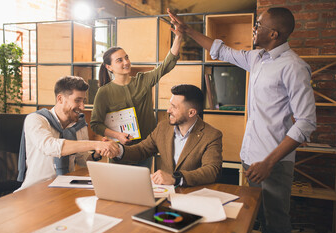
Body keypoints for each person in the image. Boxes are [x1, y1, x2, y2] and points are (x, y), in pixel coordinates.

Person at [168, 7, 316, 233]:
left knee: (276, 225)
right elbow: (221, 50)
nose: (254, 29)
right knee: (257, 220)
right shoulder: (257, 59)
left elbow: (306, 123)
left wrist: (268, 163)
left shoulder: (294, 67)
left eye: (259, 25)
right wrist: (187, 31)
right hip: (251, 159)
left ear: (274, 34)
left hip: (273, 164)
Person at [90, 9, 183, 169]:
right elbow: (95, 124)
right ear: (109, 67)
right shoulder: (104, 92)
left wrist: (179, 37)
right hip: (119, 149)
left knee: (141, 189)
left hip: (146, 148)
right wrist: (117, 135)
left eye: (126, 57)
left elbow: (167, 65)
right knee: (118, 191)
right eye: (119, 60)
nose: (126, 62)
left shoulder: (143, 80)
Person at [16, 76, 120, 191]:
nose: (82, 107)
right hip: (36, 189)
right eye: (77, 100)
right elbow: (50, 147)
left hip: (65, 187)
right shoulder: (36, 120)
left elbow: (82, 160)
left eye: (83, 101)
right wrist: (95, 144)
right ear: (60, 99)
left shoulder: (78, 125)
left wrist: (96, 154)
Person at [113, 84, 222, 187]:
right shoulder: (163, 127)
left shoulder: (212, 135)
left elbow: (211, 170)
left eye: (174, 107)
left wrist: (177, 179)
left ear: (191, 113)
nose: (168, 110)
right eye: (170, 104)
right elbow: (142, 150)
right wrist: (118, 150)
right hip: (164, 194)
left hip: (192, 196)